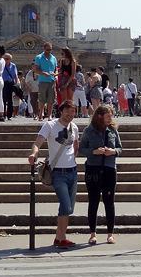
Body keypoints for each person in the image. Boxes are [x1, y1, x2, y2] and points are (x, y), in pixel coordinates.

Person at [28, 100, 80, 248]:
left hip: (72, 171)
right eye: (68, 111)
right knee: (65, 204)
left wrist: (71, 159)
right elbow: (37, 143)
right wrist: (34, 154)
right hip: (58, 173)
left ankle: (59, 237)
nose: (70, 115)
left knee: (69, 207)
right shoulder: (50, 125)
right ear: (61, 111)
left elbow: (76, 145)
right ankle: (61, 238)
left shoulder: (74, 127)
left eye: (73, 112)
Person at [79, 104, 122, 245]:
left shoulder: (112, 131)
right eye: (108, 115)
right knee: (93, 201)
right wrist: (94, 151)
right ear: (99, 116)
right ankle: (92, 234)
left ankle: (110, 234)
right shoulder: (89, 131)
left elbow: (120, 148)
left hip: (109, 168)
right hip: (93, 169)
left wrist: (113, 151)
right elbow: (81, 149)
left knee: (109, 202)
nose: (110, 118)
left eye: (111, 115)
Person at [34, 42, 57, 121]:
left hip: (51, 80)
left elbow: (56, 69)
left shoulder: (53, 58)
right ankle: (41, 114)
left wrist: (56, 74)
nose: (49, 51)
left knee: (51, 98)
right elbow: (36, 70)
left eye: (50, 50)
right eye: (47, 50)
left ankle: (49, 115)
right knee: (42, 99)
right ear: (44, 49)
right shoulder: (39, 57)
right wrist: (43, 73)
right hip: (42, 81)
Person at [2, 53, 18, 120]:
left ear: (10, 59)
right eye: (4, 58)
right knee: (3, 100)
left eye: (7, 59)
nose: (5, 60)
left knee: (10, 100)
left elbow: (15, 76)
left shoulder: (13, 66)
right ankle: (3, 114)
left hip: (10, 83)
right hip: (3, 83)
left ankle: (9, 115)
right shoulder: (1, 65)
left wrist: (16, 84)